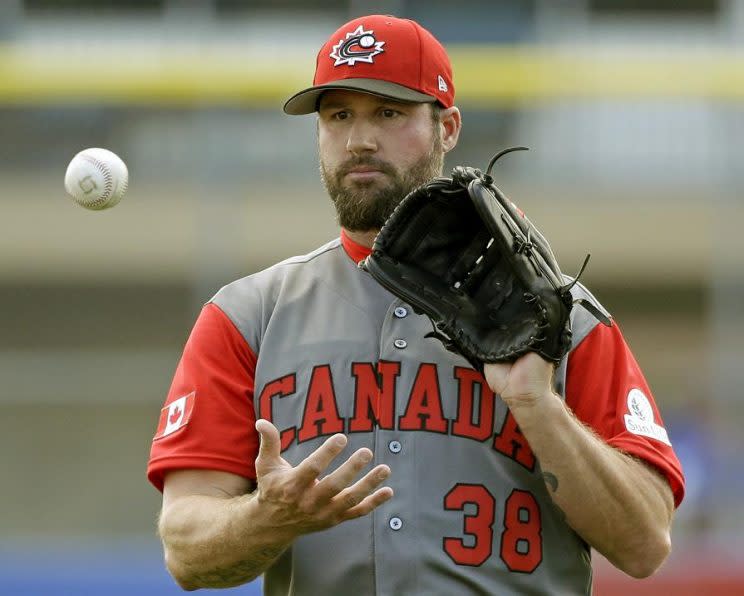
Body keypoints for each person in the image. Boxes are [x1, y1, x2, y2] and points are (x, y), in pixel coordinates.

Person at [147, 14, 685, 595]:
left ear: (447, 127)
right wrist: (267, 517)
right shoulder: (249, 316)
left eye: (388, 112)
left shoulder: (559, 316)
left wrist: (536, 404)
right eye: (339, 115)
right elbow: (186, 550)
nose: (359, 139)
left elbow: (644, 545)